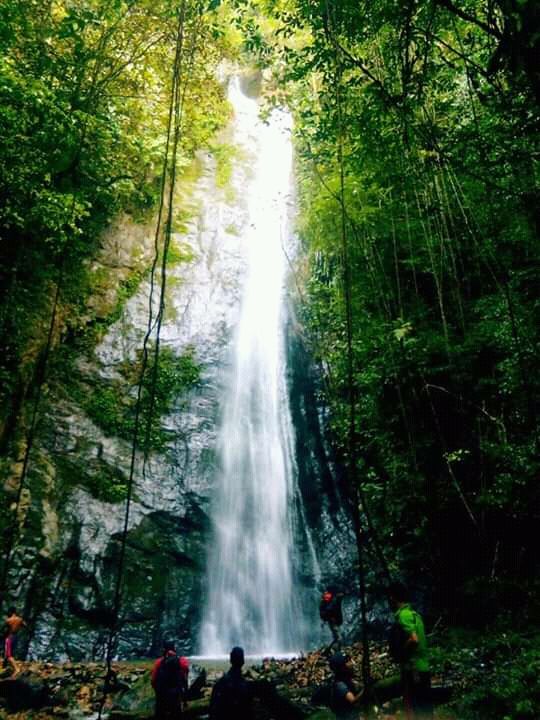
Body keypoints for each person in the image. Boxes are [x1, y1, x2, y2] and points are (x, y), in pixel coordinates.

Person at [387, 582, 433, 719]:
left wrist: (400, 651)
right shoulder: (415, 615)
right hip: (422, 667)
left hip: (413, 670)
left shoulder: (403, 615)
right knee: (424, 707)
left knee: (414, 709)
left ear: (392, 598)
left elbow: (414, 639)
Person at [209, 646, 254, 720]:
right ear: (243, 661)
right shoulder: (247, 687)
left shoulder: (220, 684)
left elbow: (213, 710)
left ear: (230, 660)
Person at [151, 639, 189, 719]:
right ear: (174, 648)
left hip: (162, 693)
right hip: (175, 693)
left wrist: (157, 690)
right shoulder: (182, 661)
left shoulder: (159, 662)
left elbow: (153, 679)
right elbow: (185, 675)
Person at [328, 652, 363, 719]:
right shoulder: (339, 685)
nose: (352, 663)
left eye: (350, 660)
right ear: (340, 668)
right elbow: (354, 702)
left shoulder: (348, 679)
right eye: (347, 661)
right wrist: (367, 687)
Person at [3, 607, 26, 678]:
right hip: (16, 637)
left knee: (9, 655)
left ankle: (17, 669)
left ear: (11, 612)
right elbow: (25, 626)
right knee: (9, 654)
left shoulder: (8, 620)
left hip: (9, 637)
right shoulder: (20, 619)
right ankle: (6, 668)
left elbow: (4, 630)